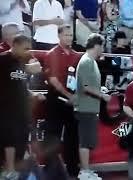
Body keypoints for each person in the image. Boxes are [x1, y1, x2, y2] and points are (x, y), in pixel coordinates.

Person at [0, 34, 43, 180]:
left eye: (30, 49)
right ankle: (9, 171)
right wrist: (29, 68)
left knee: (21, 140)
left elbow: (20, 85)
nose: (28, 52)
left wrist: (33, 95)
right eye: (25, 49)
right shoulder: (4, 60)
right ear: (15, 45)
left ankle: (14, 171)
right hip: (6, 108)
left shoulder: (20, 63)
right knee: (9, 140)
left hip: (21, 109)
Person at [44, 24, 81, 180]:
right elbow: (53, 80)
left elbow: (80, 78)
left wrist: (76, 96)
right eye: (66, 35)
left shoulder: (76, 55)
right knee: (53, 135)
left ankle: (73, 170)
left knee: (73, 136)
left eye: (70, 35)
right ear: (59, 36)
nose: (69, 38)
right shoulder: (51, 54)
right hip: (55, 101)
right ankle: (50, 171)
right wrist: (68, 95)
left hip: (72, 102)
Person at [74, 33, 110, 180]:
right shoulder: (87, 61)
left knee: (87, 141)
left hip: (90, 107)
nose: (103, 49)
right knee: (85, 141)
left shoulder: (91, 61)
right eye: (102, 46)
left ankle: (86, 170)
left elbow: (90, 84)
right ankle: (84, 172)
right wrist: (102, 96)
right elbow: (86, 86)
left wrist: (100, 90)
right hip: (85, 107)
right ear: (97, 46)